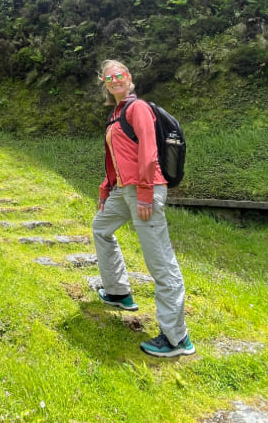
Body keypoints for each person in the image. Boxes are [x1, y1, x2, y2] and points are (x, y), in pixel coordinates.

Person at [92, 59, 195, 358]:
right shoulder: (116, 113)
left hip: (143, 190)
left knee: (160, 261)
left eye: (119, 75)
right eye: (108, 77)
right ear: (104, 83)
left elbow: (149, 152)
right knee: (101, 228)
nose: (114, 80)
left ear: (130, 78)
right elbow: (115, 156)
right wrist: (105, 188)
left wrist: (147, 194)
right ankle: (118, 292)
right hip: (124, 191)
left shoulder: (138, 108)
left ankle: (177, 339)